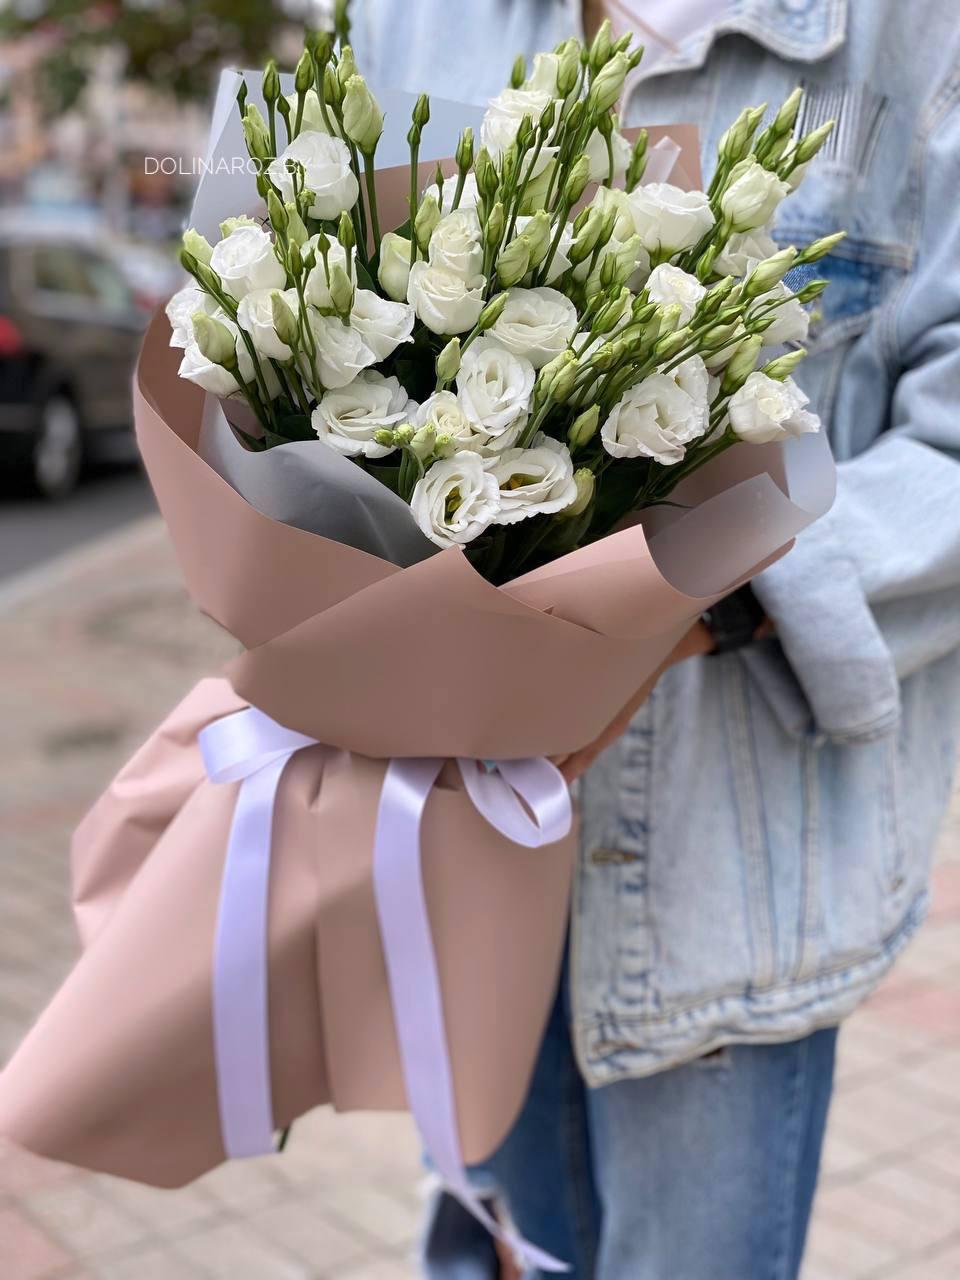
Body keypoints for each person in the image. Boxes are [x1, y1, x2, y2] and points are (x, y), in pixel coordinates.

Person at [351, 2, 960, 1275]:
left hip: (729, 892)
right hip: (461, 858)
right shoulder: (407, 17)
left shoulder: (910, 31)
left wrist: (702, 599)